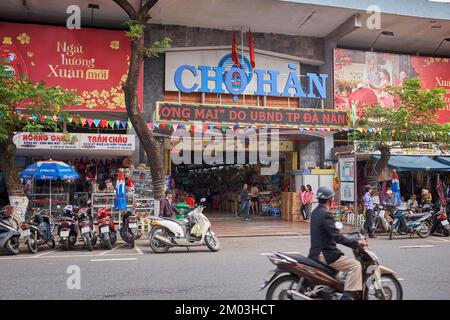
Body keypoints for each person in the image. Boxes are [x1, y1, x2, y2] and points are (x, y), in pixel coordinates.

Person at [308, 186, 367, 300]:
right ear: (330, 199)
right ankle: (346, 296)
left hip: (316, 251)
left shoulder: (315, 212)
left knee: (339, 269)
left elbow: (330, 231)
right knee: (355, 265)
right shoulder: (326, 213)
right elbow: (337, 237)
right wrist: (356, 243)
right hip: (325, 253)